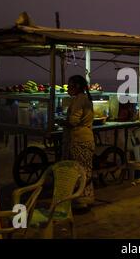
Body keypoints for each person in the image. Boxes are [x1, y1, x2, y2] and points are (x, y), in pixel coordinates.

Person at [61, 75, 95, 210]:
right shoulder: (84, 98)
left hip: (80, 140)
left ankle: (81, 201)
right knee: (85, 169)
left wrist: (63, 122)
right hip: (86, 138)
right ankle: (85, 199)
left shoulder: (79, 100)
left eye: (70, 86)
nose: (68, 89)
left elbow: (73, 121)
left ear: (77, 87)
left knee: (80, 170)